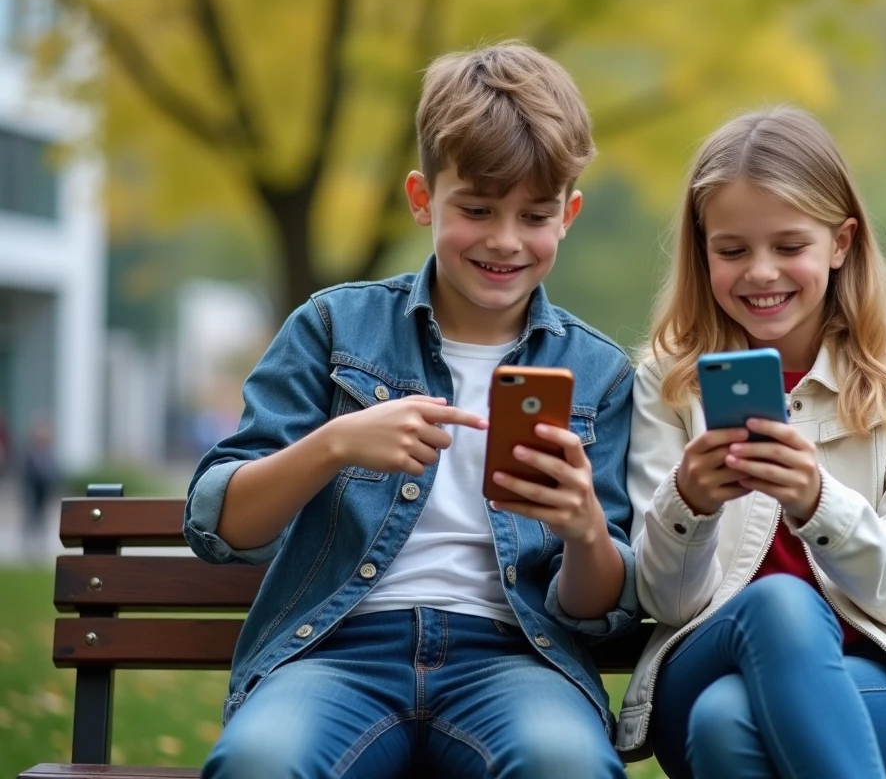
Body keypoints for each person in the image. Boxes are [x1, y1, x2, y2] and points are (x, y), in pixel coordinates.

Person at [185, 41, 637, 779]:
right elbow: (222, 526)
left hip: (514, 661)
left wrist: (585, 526)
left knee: (566, 765)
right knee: (261, 762)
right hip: (337, 652)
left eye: (533, 215)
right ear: (423, 198)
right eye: (477, 209)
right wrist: (334, 444)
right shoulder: (332, 327)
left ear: (569, 215)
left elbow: (595, 611)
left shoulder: (600, 375)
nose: (504, 240)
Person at [615, 107, 886, 778]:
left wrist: (820, 503)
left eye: (789, 247)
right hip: (701, 662)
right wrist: (688, 504)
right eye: (732, 251)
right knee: (778, 606)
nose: (761, 272)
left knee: (726, 723)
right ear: (702, 251)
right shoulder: (669, 383)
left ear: (841, 243)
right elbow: (667, 603)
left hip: (872, 675)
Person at [22, 415, 57, 554]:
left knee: (42, 517)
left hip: (44, 491)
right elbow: (27, 474)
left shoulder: (49, 453)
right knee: (31, 517)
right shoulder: (31, 453)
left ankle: (40, 544)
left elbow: (52, 473)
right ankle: (29, 543)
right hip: (33, 491)